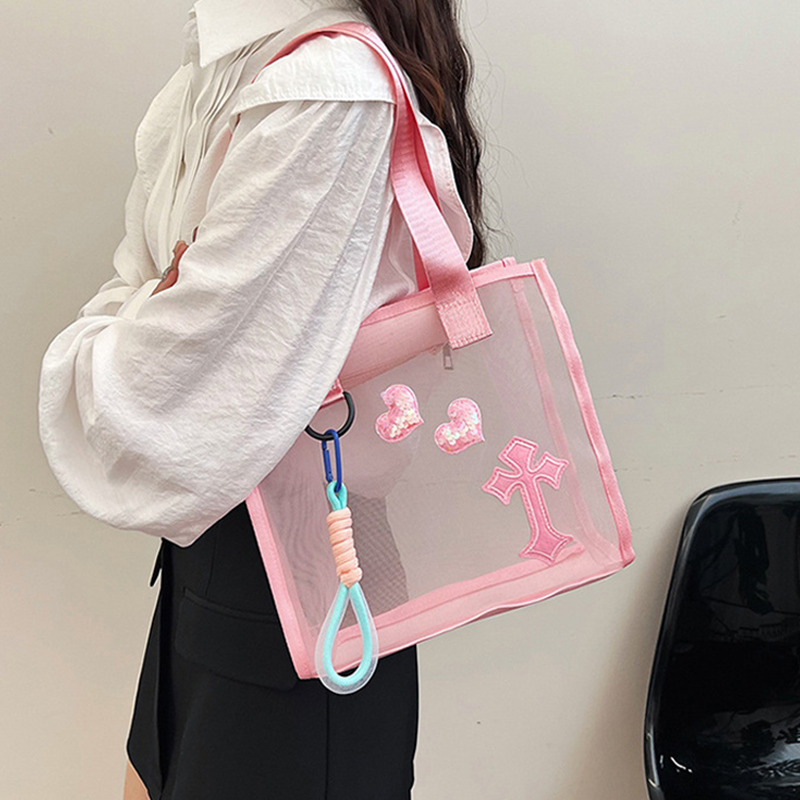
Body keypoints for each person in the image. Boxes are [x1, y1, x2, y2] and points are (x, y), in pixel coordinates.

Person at [37, 0, 491, 796]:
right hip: (224, 564)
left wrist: (139, 318)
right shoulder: (233, 68)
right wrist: (151, 315)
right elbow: (147, 315)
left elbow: (152, 398)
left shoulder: (326, 90)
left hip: (301, 584)